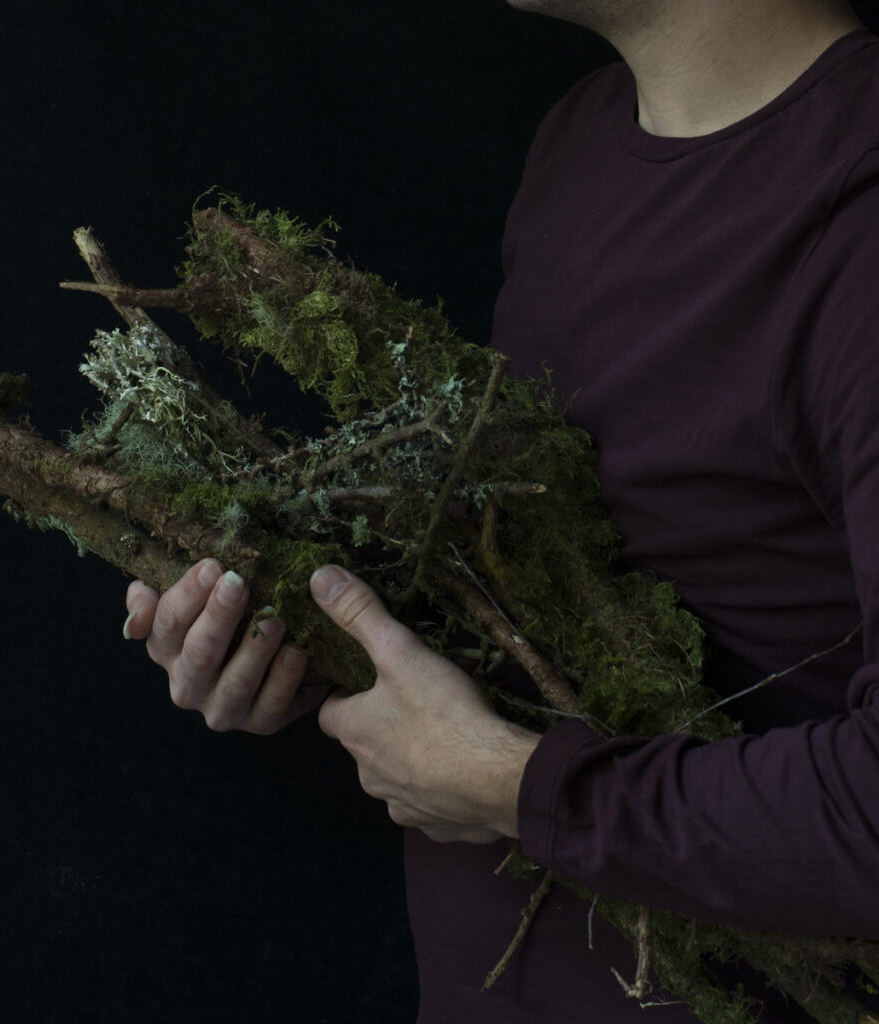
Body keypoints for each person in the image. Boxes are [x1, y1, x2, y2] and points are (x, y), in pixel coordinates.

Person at [122, 0, 879, 1019]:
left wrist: (516, 788)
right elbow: (544, 585)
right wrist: (309, 642)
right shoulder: (579, 141)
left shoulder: (857, 218)